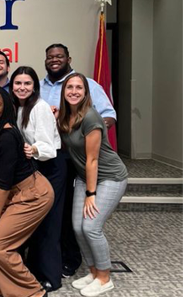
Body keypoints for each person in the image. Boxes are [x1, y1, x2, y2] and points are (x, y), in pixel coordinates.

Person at [40, 43, 117, 278]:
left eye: (59, 56)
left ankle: (72, 259)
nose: (54, 60)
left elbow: (109, 116)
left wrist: (85, 134)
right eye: (50, 57)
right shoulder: (40, 87)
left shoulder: (86, 84)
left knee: (79, 217)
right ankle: (50, 255)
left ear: (68, 58)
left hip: (81, 157)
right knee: (57, 210)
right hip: (52, 157)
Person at [0, 87, 53, 297]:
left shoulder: (7, 135)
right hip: (11, 192)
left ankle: (33, 292)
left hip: (33, 195)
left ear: (5, 108)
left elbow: (4, 183)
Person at [57, 73, 127, 297]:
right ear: (64, 91)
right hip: (84, 177)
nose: (74, 91)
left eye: (79, 88)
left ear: (86, 92)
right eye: (70, 87)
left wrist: (91, 193)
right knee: (78, 227)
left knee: (91, 228)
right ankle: (93, 271)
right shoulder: (65, 117)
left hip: (109, 177)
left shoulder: (91, 117)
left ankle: (105, 278)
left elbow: (93, 160)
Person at [10, 66, 66, 293]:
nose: (22, 88)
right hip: (35, 168)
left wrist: (31, 149)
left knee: (49, 223)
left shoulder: (40, 108)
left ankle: (52, 277)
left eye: (27, 84)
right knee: (35, 222)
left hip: (50, 167)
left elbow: (48, 148)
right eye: (18, 84)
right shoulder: (20, 107)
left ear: (35, 86)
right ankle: (34, 269)